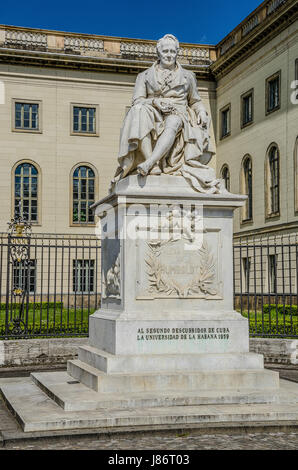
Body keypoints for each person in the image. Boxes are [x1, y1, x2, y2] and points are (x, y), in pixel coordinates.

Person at [111, 34, 223, 193]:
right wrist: (155, 102)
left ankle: (149, 162)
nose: (169, 55)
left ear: (177, 53)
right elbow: (137, 100)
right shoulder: (143, 76)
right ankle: (154, 165)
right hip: (152, 110)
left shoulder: (188, 77)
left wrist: (202, 112)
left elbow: (195, 101)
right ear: (158, 53)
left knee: (174, 122)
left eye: (172, 51)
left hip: (178, 112)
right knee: (138, 112)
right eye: (166, 51)